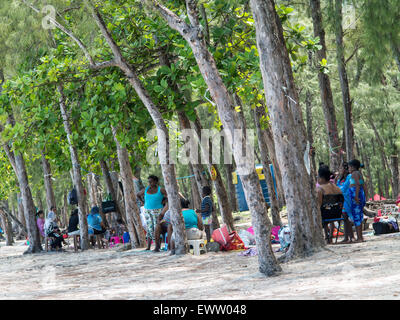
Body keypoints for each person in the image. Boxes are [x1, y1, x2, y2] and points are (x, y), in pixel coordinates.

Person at [136, 175, 168, 250]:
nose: (150, 183)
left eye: (151, 181)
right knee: (149, 228)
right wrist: (142, 202)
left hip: (158, 211)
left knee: (157, 227)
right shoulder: (146, 189)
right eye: (149, 182)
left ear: (156, 181)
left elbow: (168, 196)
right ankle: (148, 247)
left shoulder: (161, 190)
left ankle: (158, 246)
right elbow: (138, 195)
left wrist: (164, 202)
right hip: (147, 211)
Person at [316, 165, 343, 244]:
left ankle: (326, 237)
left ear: (321, 178)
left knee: (321, 211)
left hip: (325, 215)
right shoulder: (337, 188)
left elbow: (319, 205)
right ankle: (329, 237)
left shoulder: (320, 189)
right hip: (337, 214)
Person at [348, 159, 367, 243]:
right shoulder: (359, 173)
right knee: (359, 216)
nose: (348, 169)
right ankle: (360, 237)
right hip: (359, 195)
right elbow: (364, 185)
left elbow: (357, 184)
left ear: (353, 167)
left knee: (357, 217)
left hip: (356, 196)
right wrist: (365, 196)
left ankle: (359, 237)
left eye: (349, 167)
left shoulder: (355, 173)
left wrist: (356, 196)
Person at [335, 162, 354, 243]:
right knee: (345, 218)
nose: (339, 170)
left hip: (348, 200)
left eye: (341, 168)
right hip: (342, 200)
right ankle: (346, 237)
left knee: (348, 218)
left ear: (345, 169)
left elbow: (343, 189)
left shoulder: (349, 177)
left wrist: (339, 188)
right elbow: (337, 187)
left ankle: (351, 237)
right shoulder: (340, 179)